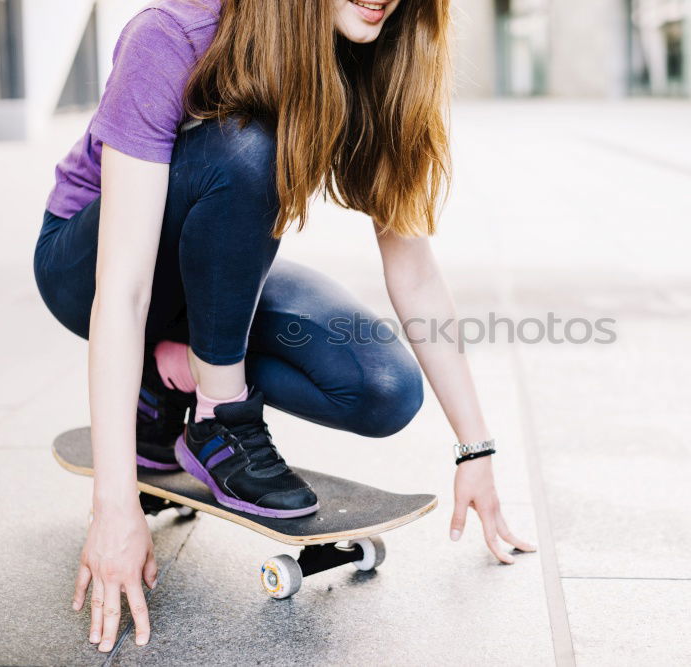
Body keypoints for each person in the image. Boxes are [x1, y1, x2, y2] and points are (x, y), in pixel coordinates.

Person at [33, 0, 534, 654]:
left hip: (207, 274)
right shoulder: (175, 35)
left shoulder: (376, 54)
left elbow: (412, 270)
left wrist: (477, 448)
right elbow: (121, 291)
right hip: (89, 265)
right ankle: (218, 417)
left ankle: (169, 377)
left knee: (384, 387)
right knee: (249, 147)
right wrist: (115, 508)